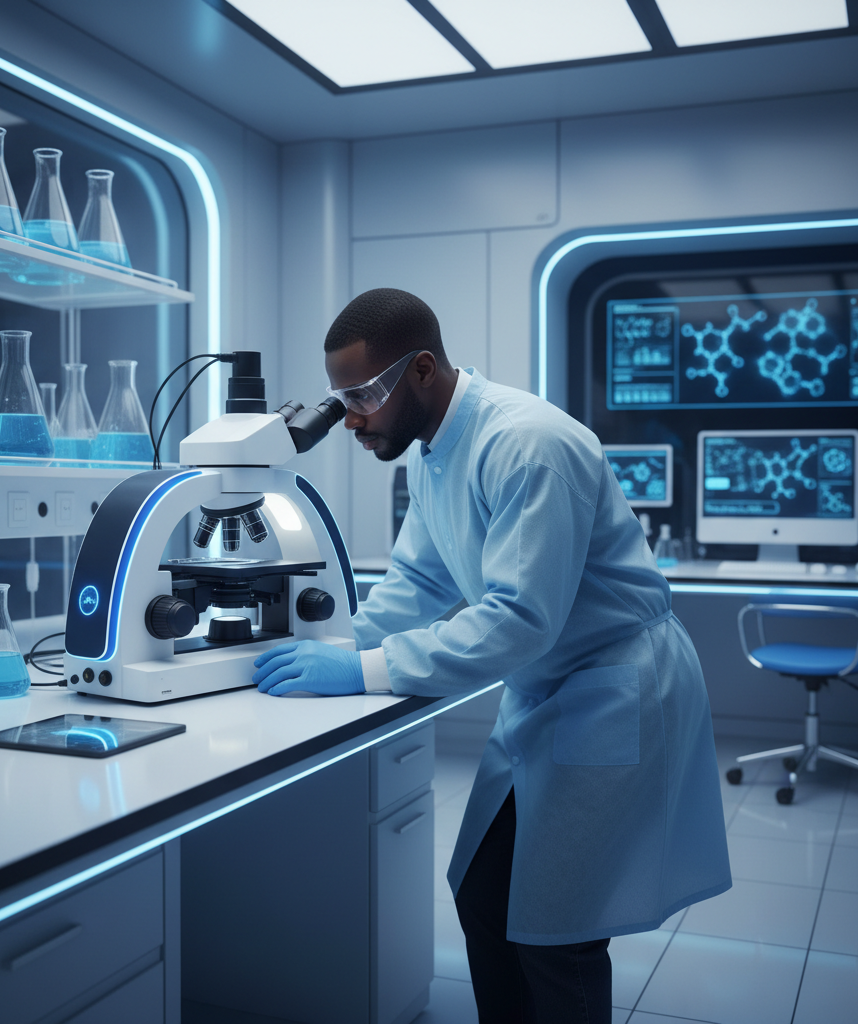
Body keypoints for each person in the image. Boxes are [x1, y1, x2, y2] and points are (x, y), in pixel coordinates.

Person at [252, 288, 731, 1024]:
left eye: (363, 397)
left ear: (421, 370)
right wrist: (341, 644)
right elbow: (421, 580)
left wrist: (361, 671)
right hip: (547, 691)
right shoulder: (433, 454)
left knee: (560, 932)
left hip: (610, 687)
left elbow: (519, 620)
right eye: (340, 400)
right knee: (484, 895)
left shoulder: (528, 445)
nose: (351, 420)